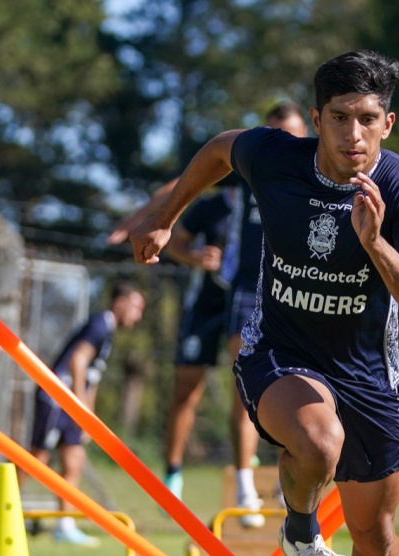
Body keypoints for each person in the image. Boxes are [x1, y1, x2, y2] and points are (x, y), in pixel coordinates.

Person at [128, 50, 399, 556]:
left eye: (365, 119)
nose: (351, 135)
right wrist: (166, 211)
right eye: (337, 118)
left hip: (368, 375)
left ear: (388, 123)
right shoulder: (275, 157)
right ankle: (300, 528)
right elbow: (218, 151)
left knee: (375, 538)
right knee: (317, 439)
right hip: (277, 351)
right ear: (316, 118)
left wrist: (377, 243)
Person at [110, 102, 308, 528]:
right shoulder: (241, 178)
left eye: (290, 135)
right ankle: (178, 475)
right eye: (273, 134)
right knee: (192, 386)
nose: (281, 143)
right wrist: (141, 220)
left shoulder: (307, 172)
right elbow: (182, 183)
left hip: (269, 294)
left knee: (267, 386)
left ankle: (267, 482)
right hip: (219, 295)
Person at [25, 280, 145, 546]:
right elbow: (77, 361)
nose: (138, 316)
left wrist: (89, 416)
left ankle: (64, 525)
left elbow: (92, 376)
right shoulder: (99, 324)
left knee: (74, 460)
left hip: (72, 402)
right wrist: (79, 406)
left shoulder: (109, 332)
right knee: (38, 458)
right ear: (120, 303)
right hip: (57, 398)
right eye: (136, 308)